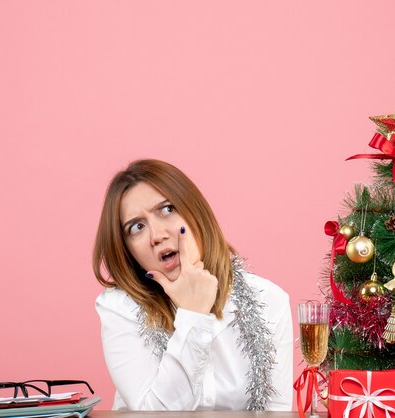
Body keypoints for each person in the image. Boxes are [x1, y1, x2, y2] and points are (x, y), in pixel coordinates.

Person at [92, 159, 293, 411]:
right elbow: (155, 415)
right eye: (137, 227)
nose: (157, 235)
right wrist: (194, 313)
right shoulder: (119, 307)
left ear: (195, 211)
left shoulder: (269, 300)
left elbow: (277, 412)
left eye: (166, 210)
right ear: (127, 249)